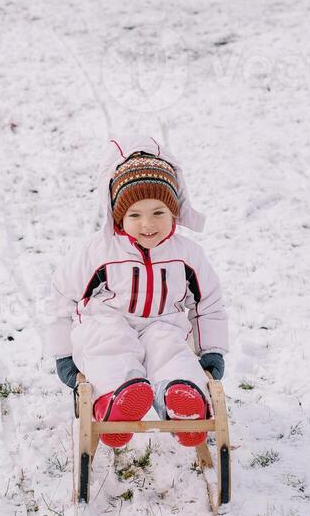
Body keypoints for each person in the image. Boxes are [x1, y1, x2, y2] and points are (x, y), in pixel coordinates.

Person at [45, 131, 228, 448]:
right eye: (135, 215)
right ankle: (117, 399)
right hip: (107, 321)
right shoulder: (97, 252)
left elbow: (207, 303)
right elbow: (63, 297)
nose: (148, 224)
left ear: (174, 211)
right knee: (109, 345)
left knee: (170, 349)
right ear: (117, 216)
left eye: (159, 212)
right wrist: (63, 356)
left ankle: (182, 399)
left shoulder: (187, 254)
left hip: (162, 323)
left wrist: (211, 350)